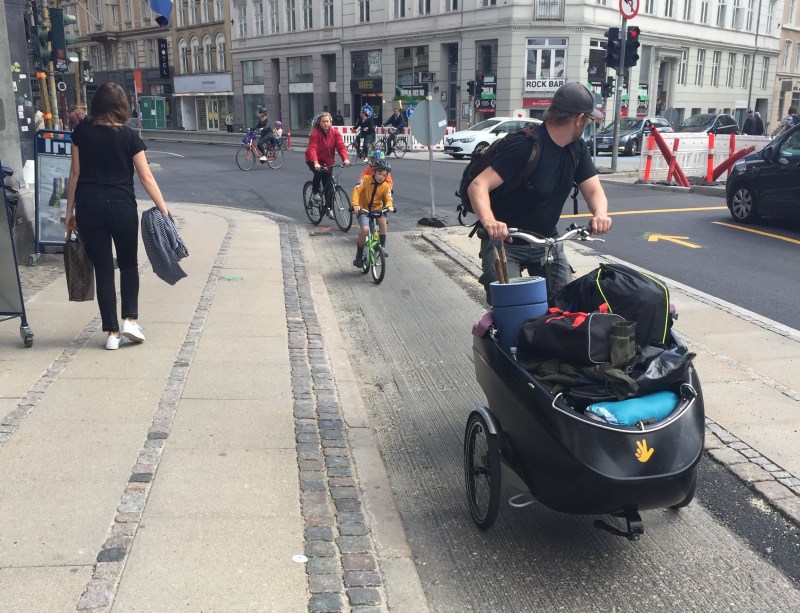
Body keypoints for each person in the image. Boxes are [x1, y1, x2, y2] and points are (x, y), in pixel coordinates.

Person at [467, 81, 612, 305]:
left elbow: (593, 189)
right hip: (506, 243)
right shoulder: (525, 145)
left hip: (547, 242)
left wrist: (600, 213)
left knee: (565, 306)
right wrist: (490, 222)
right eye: (589, 120)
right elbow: (478, 185)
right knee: (511, 308)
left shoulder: (577, 149)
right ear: (579, 119)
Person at [64, 82, 170, 350]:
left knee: (103, 269)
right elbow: (146, 177)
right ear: (121, 105)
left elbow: (75, 174)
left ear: (96, 104)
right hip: (122, 206)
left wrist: (69, 211)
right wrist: (163, 209)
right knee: (128, 264)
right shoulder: (129, 136)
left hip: (89, 207)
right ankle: (130, 321)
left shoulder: (81, 133)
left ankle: (112, 333)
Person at [351, 158, 395, 267]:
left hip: (377, 208)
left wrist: (389, 206)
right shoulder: (365, 180)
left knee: (383, 222)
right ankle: (359, 254)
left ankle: (382, 246)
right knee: (365, 230)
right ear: (374, 172)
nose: (381, 177)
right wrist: (355, 205)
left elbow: (388, 197)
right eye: (379, 174)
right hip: (363, 209)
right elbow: (356, 190)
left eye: (384, 175)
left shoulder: (385, 186)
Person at [305, 111, 351, 208]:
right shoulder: (315, 133)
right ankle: (316, 192)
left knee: (328, 185)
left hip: (327, 161)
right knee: (318, 173)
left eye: (327, 121)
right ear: (320, 123)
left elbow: (341, 147)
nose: (325, 123)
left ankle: (329, 208)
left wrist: (345, 159)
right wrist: (316, 162)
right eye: (323, 122)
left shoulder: (335, 133)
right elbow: (312, 148)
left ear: (330, 122)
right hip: (313, 159)